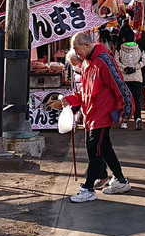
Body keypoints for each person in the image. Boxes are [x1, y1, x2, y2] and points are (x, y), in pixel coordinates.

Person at [48, 31, 133, 203]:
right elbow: (84, 92)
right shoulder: (88, 63)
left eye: (77, 49)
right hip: (92, 114)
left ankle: (88, 188)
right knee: (104, 148)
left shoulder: (103, 60)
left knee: (95, 150)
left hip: (101, 114)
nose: (77, 54)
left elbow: (119, 85)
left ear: (87, 45)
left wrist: (126, 110)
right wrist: (68, 100)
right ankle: (120, 180)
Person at [114, 26, 145, 129]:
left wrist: (125, 69)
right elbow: (143, 61)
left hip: (124, 78)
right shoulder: (139, 48)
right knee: (136, 99)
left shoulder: (119, 49)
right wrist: (134, 68)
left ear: (123, 38)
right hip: (136, 78)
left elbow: (116, 62)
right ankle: (138, 118)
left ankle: (124, 122)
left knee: (125, 100)